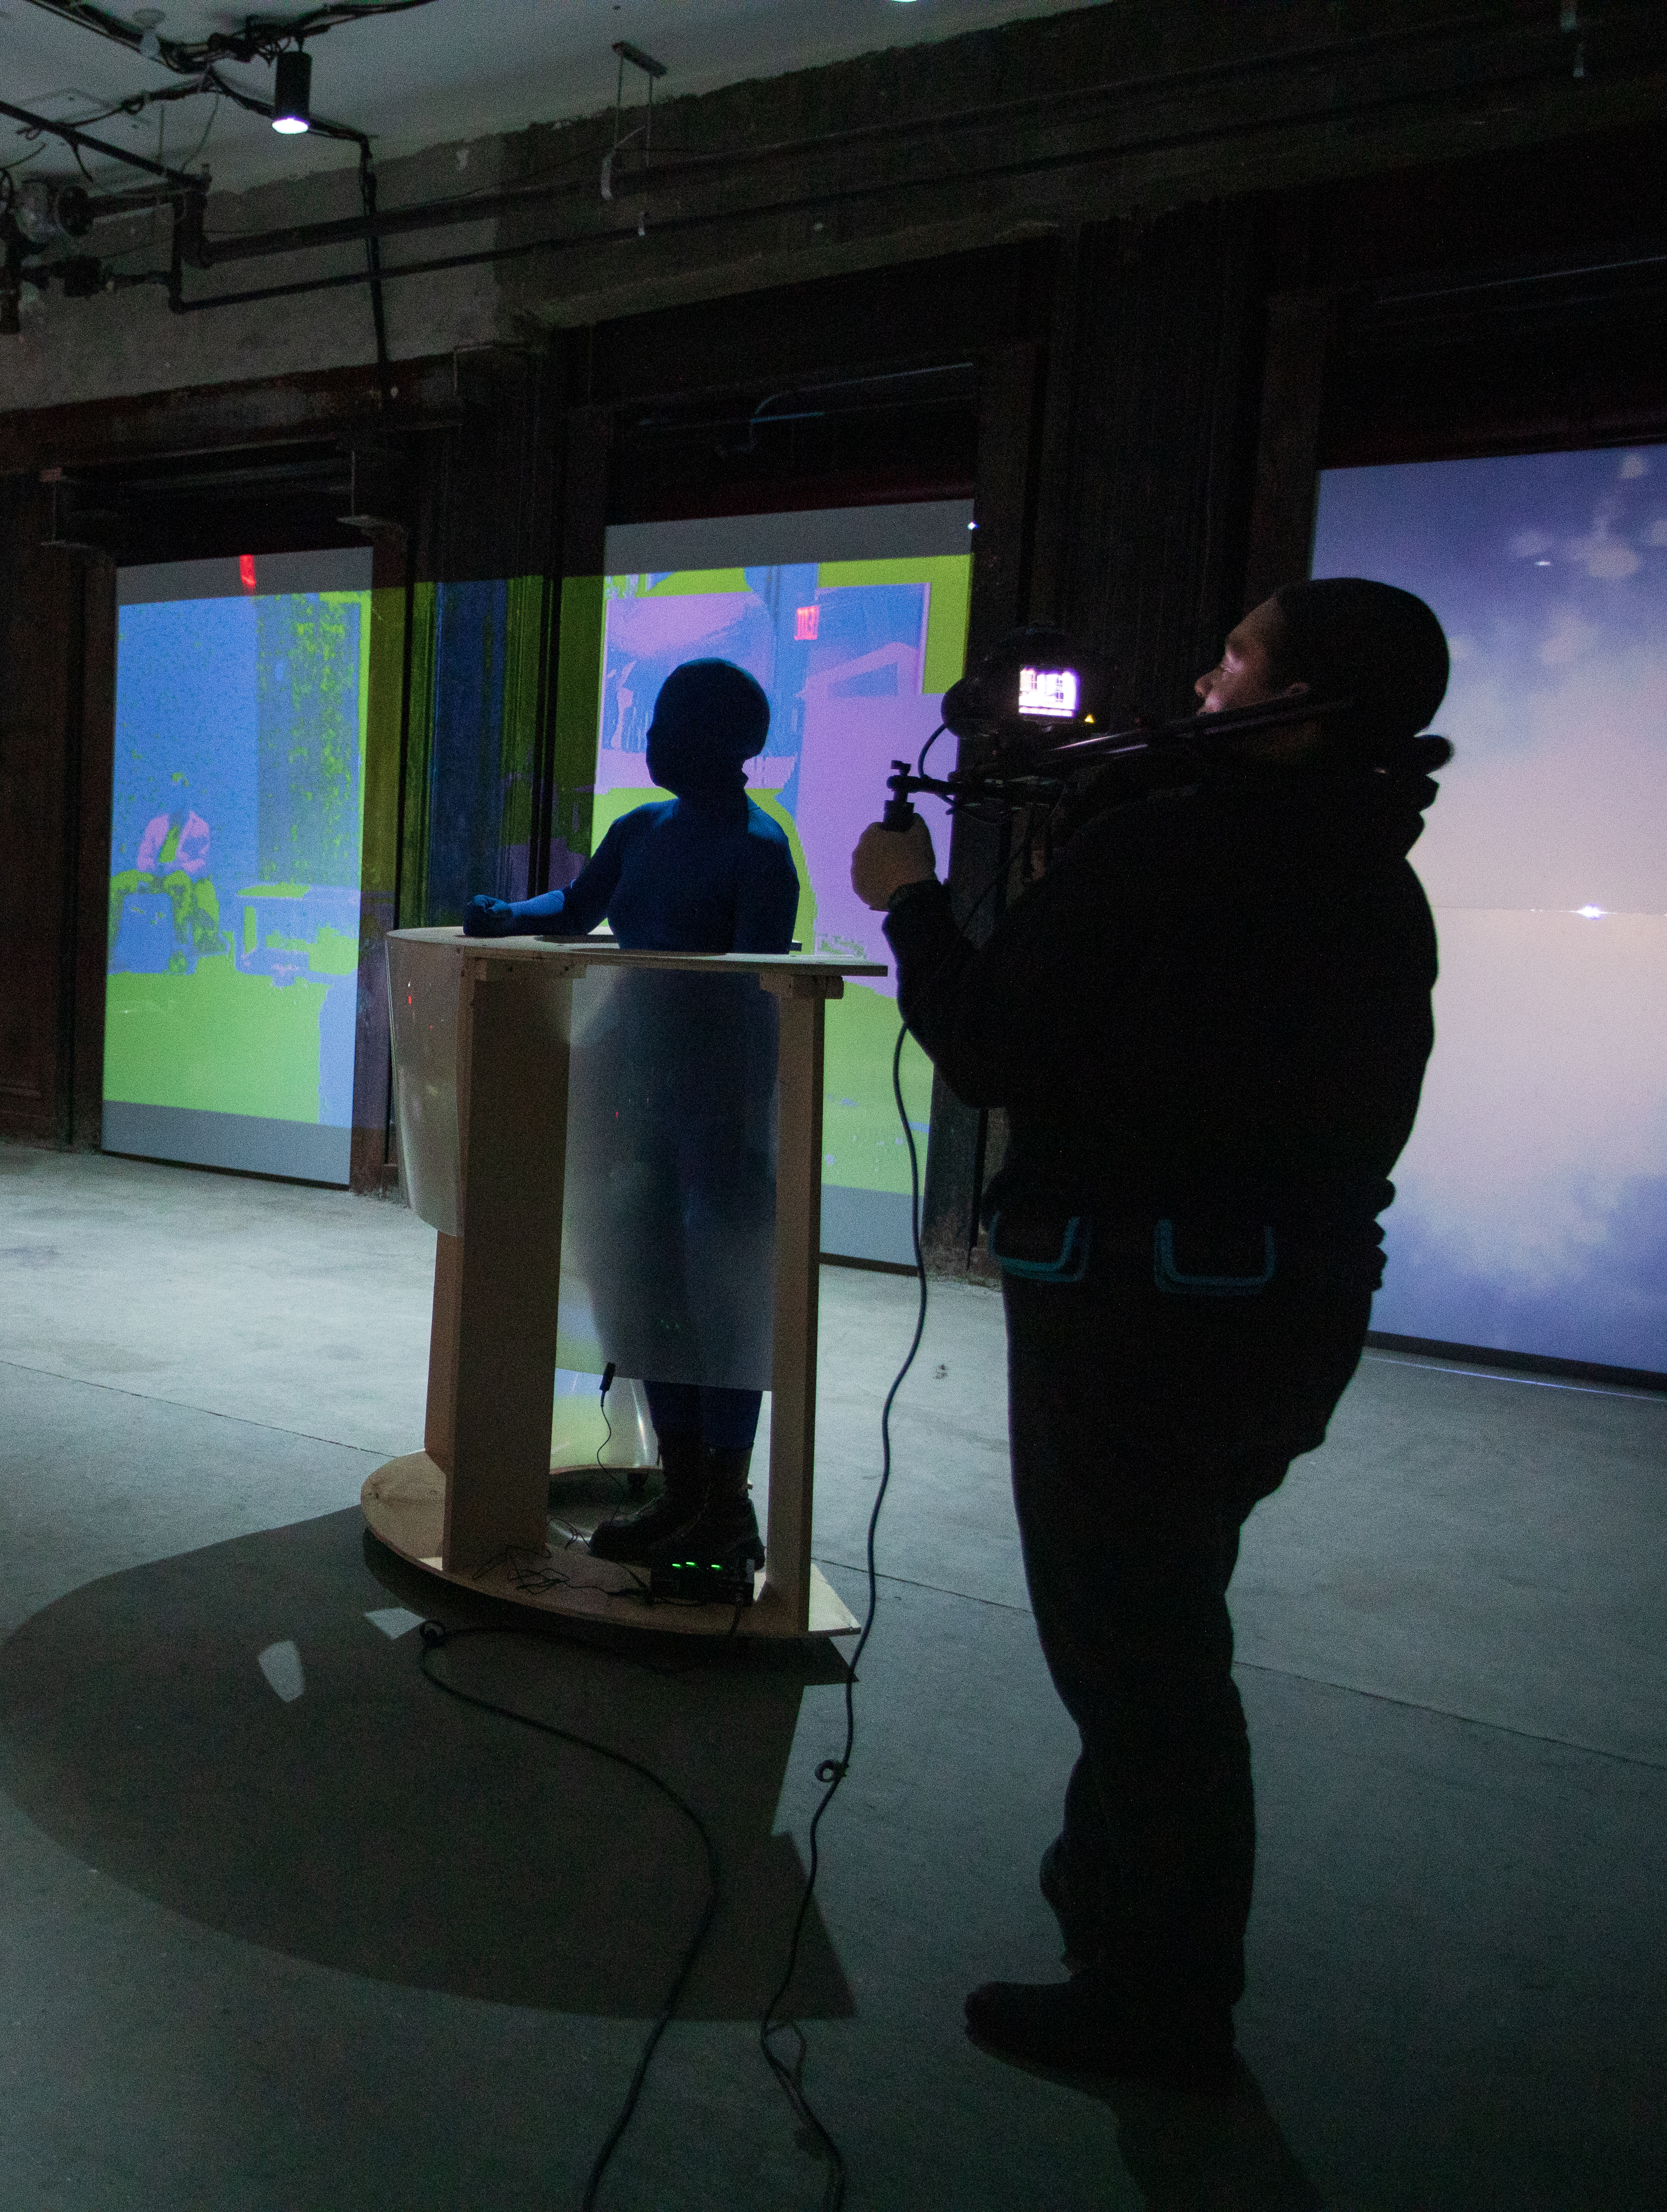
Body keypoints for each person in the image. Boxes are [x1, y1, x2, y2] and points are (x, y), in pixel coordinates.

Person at [848, 578, 1452, 2085]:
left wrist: (908, 900)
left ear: (1300, 705)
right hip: (1285, 1311)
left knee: (1140, 1655)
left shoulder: (1167, 850)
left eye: (1235, 656)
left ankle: (1161, 1997)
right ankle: (1105, 1879)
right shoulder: (1376, 875)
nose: (1198, 678)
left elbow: (986, 1045)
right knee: (1168, 1603)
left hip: (1133, 1317)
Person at [463, 657, 799, 1595]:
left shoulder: (759, 851)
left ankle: (722, 1511)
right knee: (646, 1289)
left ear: (721, 742)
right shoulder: (641, 829)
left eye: (665, 720)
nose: (650, 738)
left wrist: (741, 1125)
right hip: (637, 1104)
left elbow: (757, 999)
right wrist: (500, 917)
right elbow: (577, 909)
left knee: (719, 1305)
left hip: (716, 1117)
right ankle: (680, 1493)